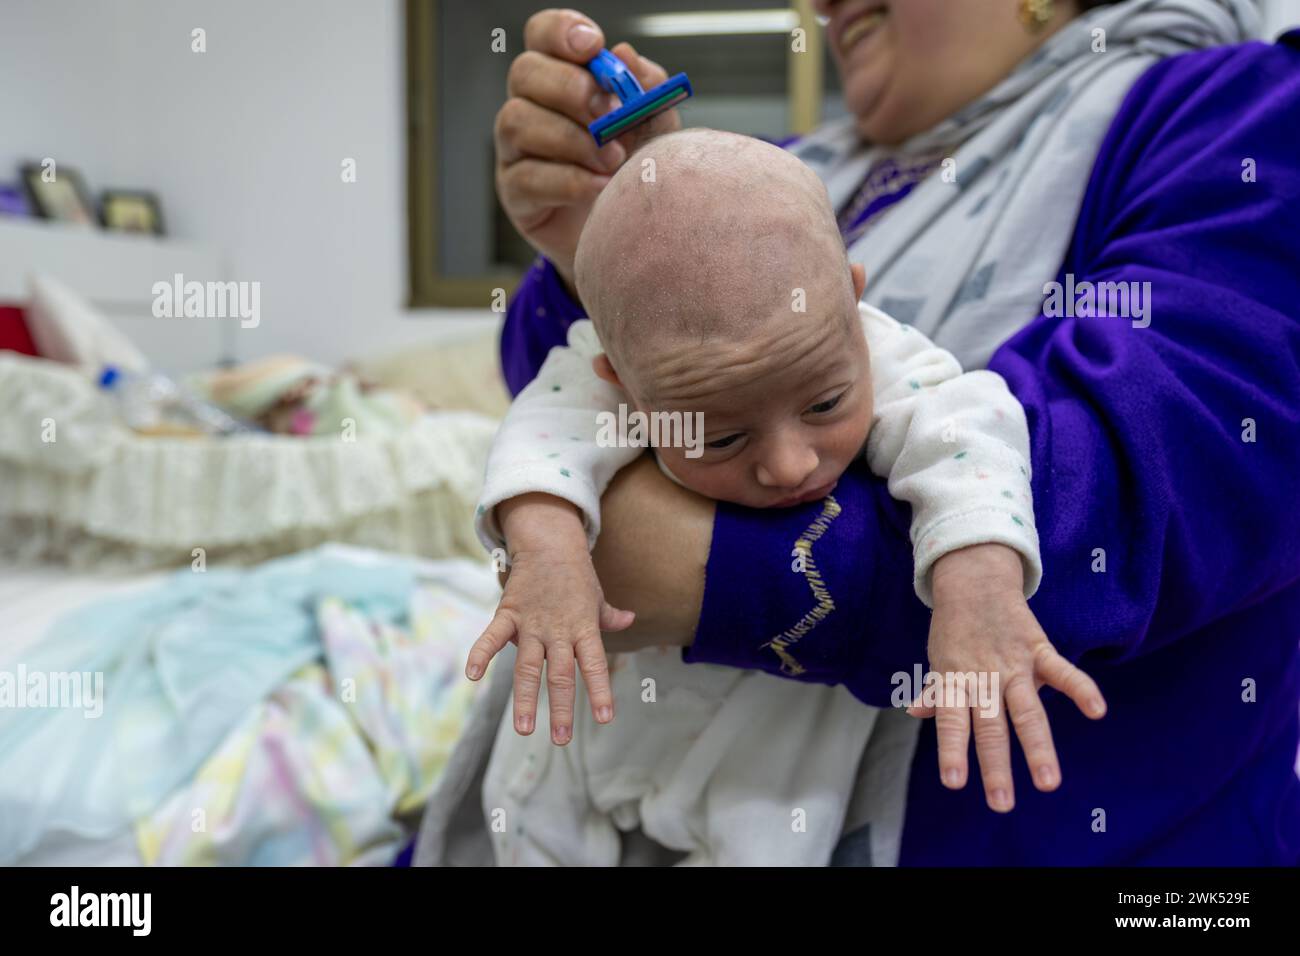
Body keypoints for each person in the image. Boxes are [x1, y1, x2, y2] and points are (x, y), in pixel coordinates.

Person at [491, 0, 1300, 864]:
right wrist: (587, 260)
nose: (823, 3)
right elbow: (578, 403)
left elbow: (1183, 471)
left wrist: (710, 565)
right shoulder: (794, 167)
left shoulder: (1233, 115)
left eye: (826, 403)